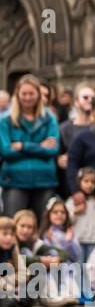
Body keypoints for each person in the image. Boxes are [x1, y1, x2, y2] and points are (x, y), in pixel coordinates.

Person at [0, 74, 62, 217]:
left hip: (44, 180)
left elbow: (53, 150)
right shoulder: (5, 120)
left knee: (42, 228)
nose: (27, 97)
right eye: (24, 93)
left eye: (31, 93)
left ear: (38, 95)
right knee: (14, 226)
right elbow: (6, 151)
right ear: (17, 94)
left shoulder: (49, 118)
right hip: (15, 181)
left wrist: (22, 146)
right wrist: (40, 146)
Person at [66, 166, 95, 272]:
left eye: (92, 182)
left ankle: (91, 288)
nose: (89, 185)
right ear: (79, 182)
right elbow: (66, 221)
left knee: (92, 268)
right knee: (78, 268)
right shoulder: (72, 201)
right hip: (78, 240)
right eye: (86, 181)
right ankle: (77, 288)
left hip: (94, 240)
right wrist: (75, 212)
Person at [0, 217, 30, 307]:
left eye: (12, 234)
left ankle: (15, 296)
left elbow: (25, 273)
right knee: (9, 300)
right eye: (4, 234)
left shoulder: (13, 248)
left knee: (28, 298)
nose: (9, 238)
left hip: (9, 284)